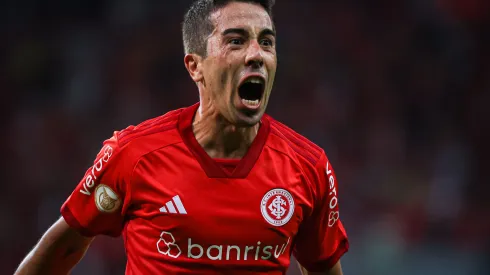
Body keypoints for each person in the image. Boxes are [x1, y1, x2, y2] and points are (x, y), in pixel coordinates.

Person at [15, 0, 349, 274]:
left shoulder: (309, 166)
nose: (256, 55)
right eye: (236, 40)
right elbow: (60, 251)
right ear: (195, 66)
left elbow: (322, 269)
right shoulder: (134, 154)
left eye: (266, 42)